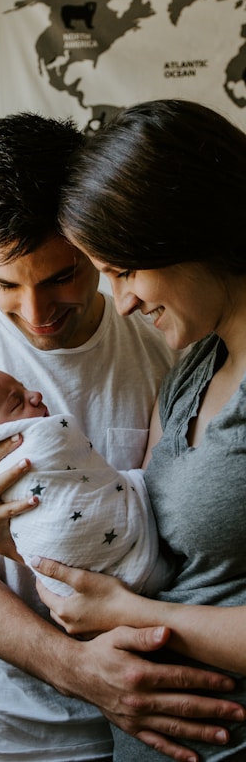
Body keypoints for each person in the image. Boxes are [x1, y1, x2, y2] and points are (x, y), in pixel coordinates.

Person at [0, 111, 245, 762]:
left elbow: (181, 534)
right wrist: (78, 669)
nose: (35, 311)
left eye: (61, 275)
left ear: (90, 238)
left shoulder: (171, 341)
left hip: (143, 720)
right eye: (3, 283)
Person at [28, 98, 246, 760]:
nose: (120, 300)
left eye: (124, 270)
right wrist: (17, 531)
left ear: (189, 232)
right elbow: (143, 535)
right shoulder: (194, 366)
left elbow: (141, 601)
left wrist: (136, 617)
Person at [0, 364, 173, 597]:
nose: (35, 394)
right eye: (17, 403)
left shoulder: (158, 356)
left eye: (23, 387)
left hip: (85, 593)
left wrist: (7, 545)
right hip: (60, 609)